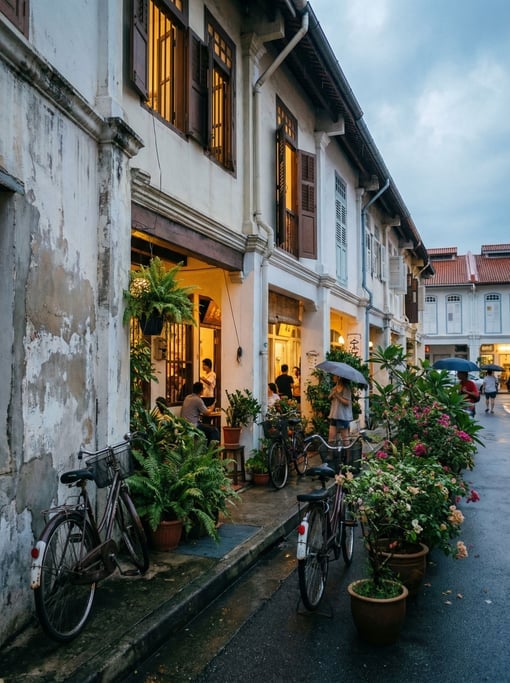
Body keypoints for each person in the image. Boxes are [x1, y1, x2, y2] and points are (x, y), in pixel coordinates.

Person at [328, 375, 353, 445]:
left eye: (334, 376)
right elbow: (329, 398)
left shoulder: (346, 389)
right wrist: (332, 394)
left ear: (339, 377)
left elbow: (347, 402)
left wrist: (337, 395)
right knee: (331, 439)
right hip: (334, 415)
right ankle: (331, 455)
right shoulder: (334, 388)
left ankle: (349, 455)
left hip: (343, 417)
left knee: (345, 438)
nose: (333, 377)